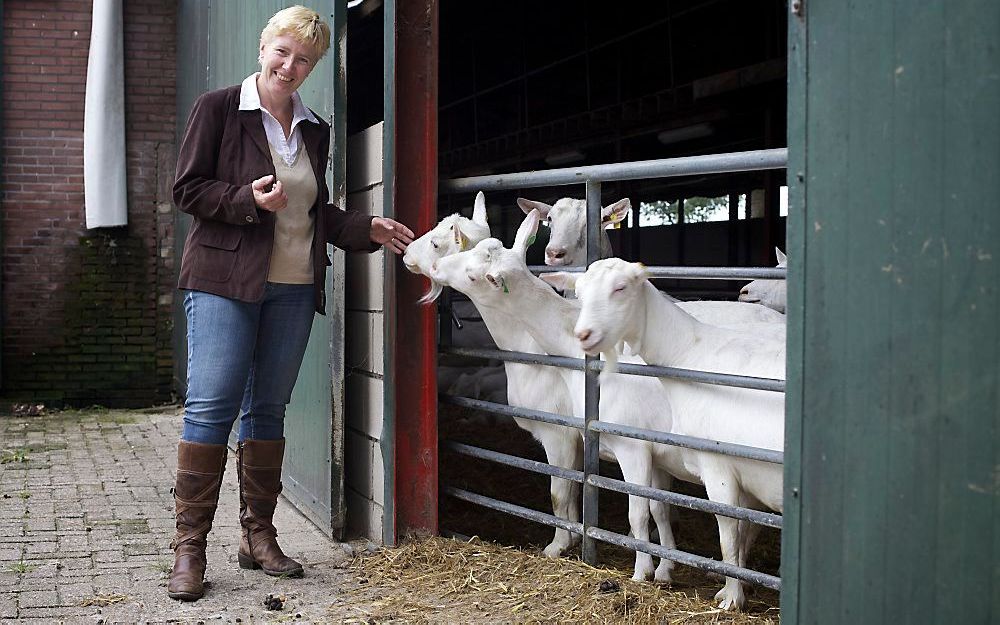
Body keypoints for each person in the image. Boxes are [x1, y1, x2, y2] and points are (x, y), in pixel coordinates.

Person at [168, 5, 414, 602]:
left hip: (294, 287)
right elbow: (188, 189)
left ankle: (258, 536)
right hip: (225, 279)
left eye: (303, 59)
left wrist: (365, 228)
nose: (290, 65)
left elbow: (312, 209)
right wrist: (245, 199)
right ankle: (189, 549)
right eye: (283, 51)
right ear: (263, 48)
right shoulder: (219, 108)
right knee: (212, 406)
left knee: (268, 410)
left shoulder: (313, 128)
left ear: (313, 67)